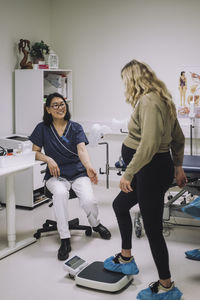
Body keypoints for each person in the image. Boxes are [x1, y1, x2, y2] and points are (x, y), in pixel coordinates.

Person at [104, 60, 187, 299]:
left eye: (125, 81)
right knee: (120, 205)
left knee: (153, 229)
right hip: (150, 169)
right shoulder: (163, 98)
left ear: (133, 79)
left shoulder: (150, 101)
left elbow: (149, 145)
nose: (125, 86)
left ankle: (166, 285)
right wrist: (178, 166)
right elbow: (179, 138)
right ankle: (126, 258)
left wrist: (128, 173)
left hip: (149, 170)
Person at [29, 92, 111, 261]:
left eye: (62, 104)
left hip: (78, 173)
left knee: (89, 201)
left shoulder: (75, 127)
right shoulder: (42, 128)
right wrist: (48, 158)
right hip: (56, 176)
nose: (60, 107)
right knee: (60, 194)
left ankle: (96, 225)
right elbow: (35, 152)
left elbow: (82, 150)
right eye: (56, 105)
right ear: (48, 109)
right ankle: (65, 239)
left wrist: (88, 167)